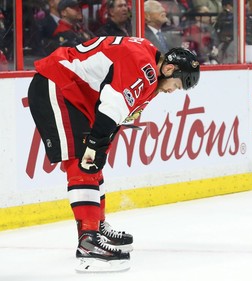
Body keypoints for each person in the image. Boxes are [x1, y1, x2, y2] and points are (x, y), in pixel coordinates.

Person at [27, 36, 200, 272]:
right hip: (58, 83)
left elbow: (119, 114)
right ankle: (88, 240)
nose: (173, 91)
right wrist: (97, 144)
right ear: (169, 69)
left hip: (74, 92)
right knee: (82, 161)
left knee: (92, 161)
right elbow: (114, 104)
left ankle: (95, 226)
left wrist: (100, 146)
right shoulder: (143, 65)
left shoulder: (150, 67)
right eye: (177, 86)